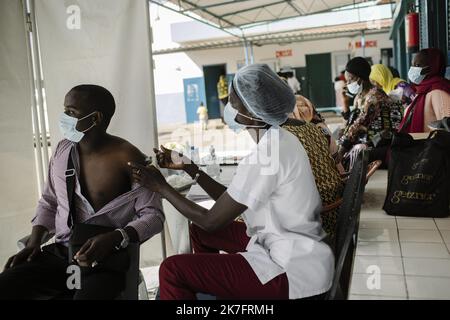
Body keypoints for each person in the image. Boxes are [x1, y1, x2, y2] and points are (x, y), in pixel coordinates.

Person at [130, 64, 334, 300]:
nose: (229, 106)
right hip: (293, 246)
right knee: (198, 232)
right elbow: (232, 199)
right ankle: (215, 291)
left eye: (234, 101)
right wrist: (190, 167)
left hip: (291, 273)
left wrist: (161, 187)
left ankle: (216, 288)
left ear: (252, 111)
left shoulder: (265, 156)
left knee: (172, 270)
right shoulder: (280, 139)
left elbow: (211, 221)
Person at [0, 85, 164, 300]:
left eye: (71, 112)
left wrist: (117, 236)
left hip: (105, 258)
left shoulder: (130, 158)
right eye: (64, 111)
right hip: (62, 254)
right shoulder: (62, 151)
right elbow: (49, 202)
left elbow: (153, 216)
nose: (63, 117)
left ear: (95, 118)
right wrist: (34, 242)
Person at [337, 57, 402, 169]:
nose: (347, 84)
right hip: (368, 142)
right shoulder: (360, 96)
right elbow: (351, 124)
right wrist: (345, 104)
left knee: (348, 160)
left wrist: (340, 151)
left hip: (382, 145)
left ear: (359, 79)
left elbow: (359, 124)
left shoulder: (374, 96)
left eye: (350, 80)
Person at [399, 48, 450, 133]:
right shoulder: (421, 91)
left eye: (418, 65)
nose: (413, 69)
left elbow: (447, 127)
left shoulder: (438, 92)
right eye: (412, 65)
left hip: (431, 145)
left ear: (432, 66)